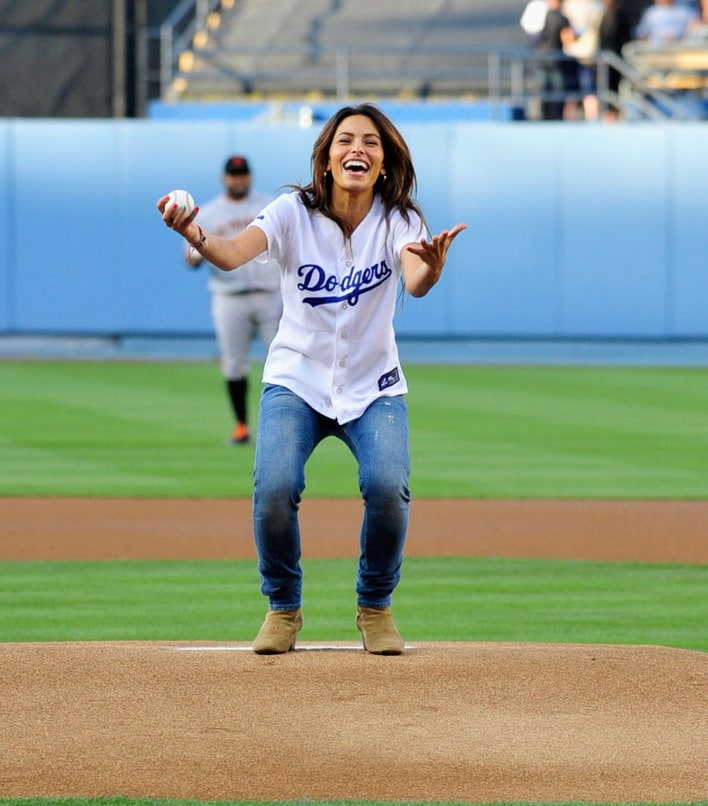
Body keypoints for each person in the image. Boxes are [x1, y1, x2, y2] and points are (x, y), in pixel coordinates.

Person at [158, 103, 466, 655]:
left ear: (385, 163)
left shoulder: (400, 219)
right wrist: (194, 232)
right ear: (325, 159)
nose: (358, 149)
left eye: (371, 143)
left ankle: (375, 607)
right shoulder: (290, 212)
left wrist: (433, 268)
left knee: (387, 489)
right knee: (274, 488)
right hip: (296, 379)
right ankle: (283, 608)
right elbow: (230, 255)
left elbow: (414, 278)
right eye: (345, 140)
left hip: (374, 386)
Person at [183, 155, 282, 445]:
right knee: (234, 364)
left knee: (282, 361)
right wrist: (201, 250)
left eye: (243, 174)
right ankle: (241, 426)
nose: (238, 179)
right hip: (229, 297)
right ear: (224, 178)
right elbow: (189, 259)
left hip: (271, 294)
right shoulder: (209, 213)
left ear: (249, 177)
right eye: (233, 175)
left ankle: (283, 426)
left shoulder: (269, 206)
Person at [534, 0, 578, 119]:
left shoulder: (541, 15)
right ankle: (555, 115)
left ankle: (544, 114)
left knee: (544, 87)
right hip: (555, 57)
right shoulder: (562, 18)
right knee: (558, 88)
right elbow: (567, 38)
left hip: (541, 56)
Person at [598, 0, 633, 120]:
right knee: (606, 88)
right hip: (605, 61)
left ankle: (615, 115)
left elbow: (626, 39)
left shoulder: (620, 15)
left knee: (615, 89)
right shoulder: (603, 15)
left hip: (617, 61)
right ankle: (608, 115)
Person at [635, 0, 699, 44]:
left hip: (680, 49)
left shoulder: (685, 11)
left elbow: (695, 29)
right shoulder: (651, 13)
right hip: (656, 50)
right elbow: (642, 34)